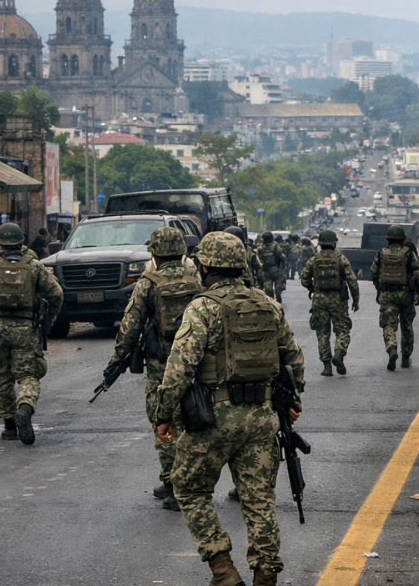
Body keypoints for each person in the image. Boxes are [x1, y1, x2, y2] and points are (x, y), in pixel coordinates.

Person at [153, 231, 306, 586]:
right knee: (259, 499)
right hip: (263, 418)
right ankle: (265, 575)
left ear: (205, 266)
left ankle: (224, 571)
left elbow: (179, 368)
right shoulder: (268, 304)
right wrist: (293, 401)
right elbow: (294, 360)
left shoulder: (202, 306)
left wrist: (164, 415)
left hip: (214, 419)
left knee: (189, 489)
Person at [110, 227, 201, 512]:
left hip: (161, 363)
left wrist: (118, 357)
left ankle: (175, 484)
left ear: (155, 254)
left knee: (164, 421)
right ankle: (180, 480)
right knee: (193, 419)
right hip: (195, 361)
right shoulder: (196, 278)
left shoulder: (148, 282)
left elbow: (130, 324)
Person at [0, 222, 64, 445]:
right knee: (28, 375)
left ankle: (10, 426)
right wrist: (50, 318)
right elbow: (56, 293)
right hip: (25, 329)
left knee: (2, 376)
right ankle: (25, 409)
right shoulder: (34, 266)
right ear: (21, 244)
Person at [300, 230, 359, 376]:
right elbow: (352, 280)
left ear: (319, 244)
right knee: (342, 329)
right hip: (338, 299)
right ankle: (339, 354)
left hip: (319, 299)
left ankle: (326, 366)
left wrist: (312, 288)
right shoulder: (340, 258)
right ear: (334, 244)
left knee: (322, 332)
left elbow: (304, 278)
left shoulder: (314, 259)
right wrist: (355, 299)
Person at [370, 224, 419, 371]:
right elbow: (418, 274)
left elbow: (373, 273)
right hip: (406, 295)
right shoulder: (409, 254)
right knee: (407, 326)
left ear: (388, 239)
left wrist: (378, 289)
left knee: (389, 325)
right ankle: (405, 358)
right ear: (402, 239)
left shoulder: (381, 254)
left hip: (388, 295)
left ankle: (392, 348)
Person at [255, 231, 287, 303]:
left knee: (268, 288)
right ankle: (277, 298)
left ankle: (271, 301)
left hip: (267, 270)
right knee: (278, 286)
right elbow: (282, 257)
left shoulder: (260, 248)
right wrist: (283, 267)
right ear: (272, 239)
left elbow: (258, 260)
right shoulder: (276, 247)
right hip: (276, 269)